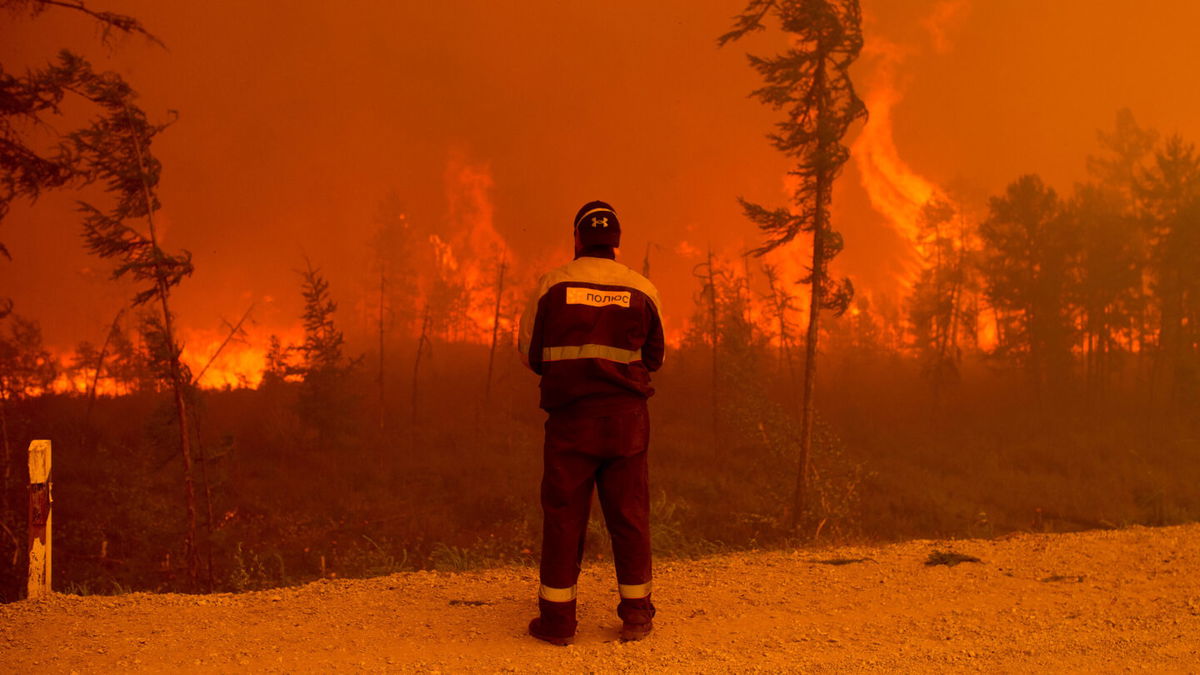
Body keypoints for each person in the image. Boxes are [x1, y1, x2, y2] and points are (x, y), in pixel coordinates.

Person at [517, 200, 665, 645]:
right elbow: (655, 358)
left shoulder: (552, 285)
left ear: (577, 238)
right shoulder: (642, 289)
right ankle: (636, 616)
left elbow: (530, 353)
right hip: (627, 423)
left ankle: (558, 624)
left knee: (564, 517)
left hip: (571, 422)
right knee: (630, 516)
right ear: (616, 243)